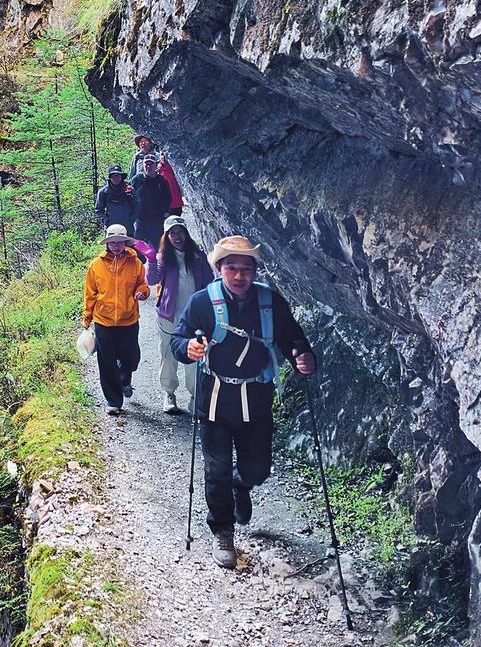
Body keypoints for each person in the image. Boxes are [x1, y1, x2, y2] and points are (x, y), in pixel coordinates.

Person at [171, 235, 316, 568]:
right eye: (232, 268)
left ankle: (241, 483)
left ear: (255, 271)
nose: (239, 276)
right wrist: (187, 349)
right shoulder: (202, 303)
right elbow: (179, 338)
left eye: (246, 269)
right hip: (215, 401)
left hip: (256, 400)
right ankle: (223, 532)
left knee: (258, 468)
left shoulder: (271, 302)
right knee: (216, 469)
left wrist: (303, 357)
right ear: (219, 269)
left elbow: (293, 338)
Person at [145, 215, 212, 414]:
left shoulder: (199, 257)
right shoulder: (163, 257)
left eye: (180, 232)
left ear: (186, 234)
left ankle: (195, 397)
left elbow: (208, 283)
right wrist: (150, 259)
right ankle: (169, 393)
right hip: (169, 315)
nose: (177, 236)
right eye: (172, 233)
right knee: (168, 355)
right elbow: (152, 279)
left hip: (194, 317)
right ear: (166, 236)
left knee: (195, 356)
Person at [82, 224, 150, 416]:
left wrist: (142, 293)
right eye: (113, 242)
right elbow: (90, 293)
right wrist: (87, 317)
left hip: (129, 320)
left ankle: (125, 379)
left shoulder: (135, 263)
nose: (116, 246)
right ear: (107, 244)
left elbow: (143, 285)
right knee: (107, 362)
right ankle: (113, 400)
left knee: (129, 357)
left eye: (120, 242)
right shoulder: (96, 265)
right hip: (103, 320)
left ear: (125, 243)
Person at [131, 155, 179, 249]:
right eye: (146, 164)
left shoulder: (162, 180)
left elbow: (168, 199)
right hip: (140, 220)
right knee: (139, 247)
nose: (148, 166)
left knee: (159, 247)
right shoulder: (137, 179)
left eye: (151, 164)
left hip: (157, 221)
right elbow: (130, 196)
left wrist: (166, 213)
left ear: (156, 165)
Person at [94, 164, 136, 232]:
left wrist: (131, 219)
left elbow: (137, 206)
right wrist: (106, 220)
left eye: (118, 175)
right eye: (113, 176)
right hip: (111, 227)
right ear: (110, 177)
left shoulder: (129, 190)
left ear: (122, 176)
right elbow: (98, 209)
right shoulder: (104, 192)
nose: (116, 178)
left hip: (128, 227)